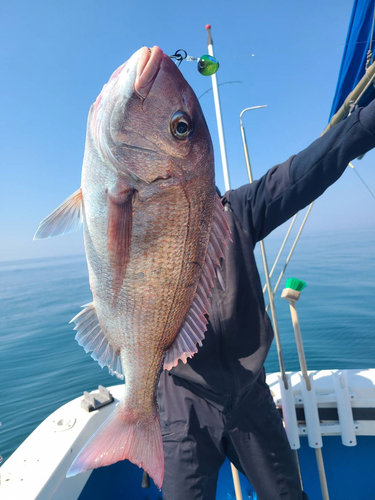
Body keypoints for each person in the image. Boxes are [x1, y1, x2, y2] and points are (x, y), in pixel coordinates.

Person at [157, 98, 375, 500]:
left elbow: (309, 169)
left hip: (248, 391)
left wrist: (364, 123)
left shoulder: (239, 210)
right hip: (183, 398)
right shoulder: (147, 233)